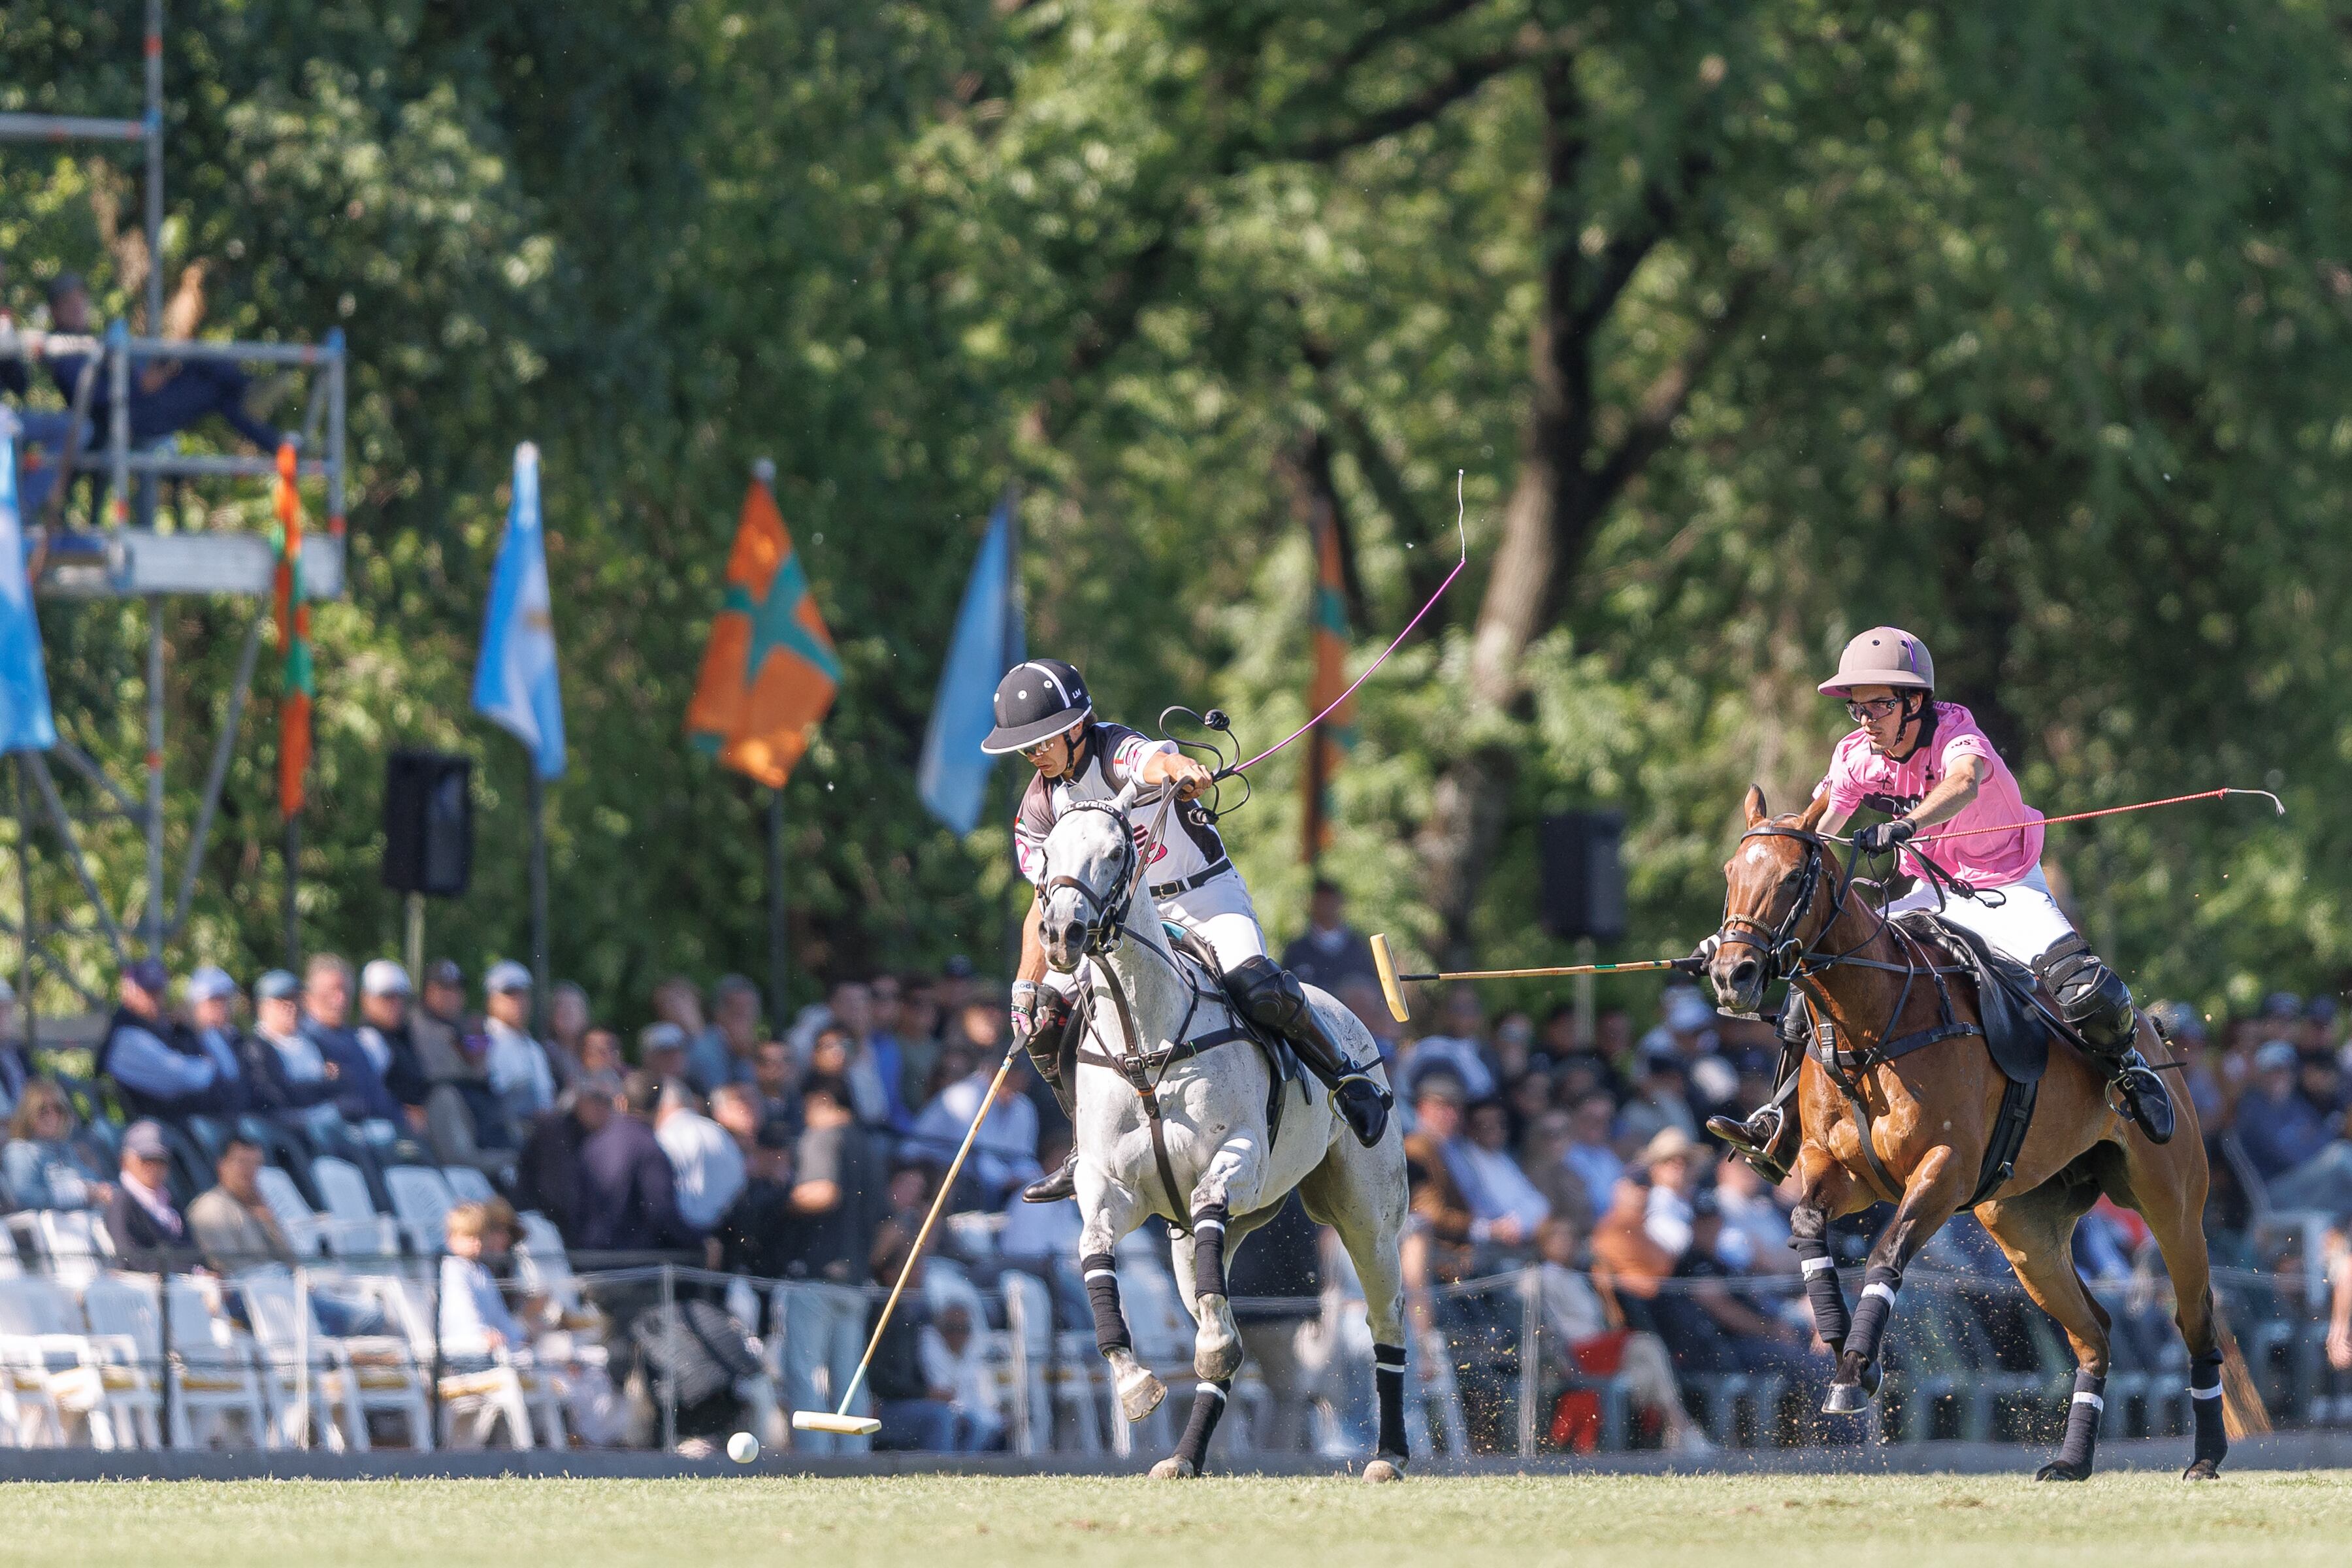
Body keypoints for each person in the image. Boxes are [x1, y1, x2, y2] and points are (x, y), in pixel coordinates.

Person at [1707, 627, 2172, 1176]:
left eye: (1879, 705)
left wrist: (1905, 824)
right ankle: (1780, 1120)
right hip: (1931, 894)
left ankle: (2131, 1069)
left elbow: (1965, 783)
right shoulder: (1855, 756)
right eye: (1857, 709)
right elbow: (1814, 838)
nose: (1866, 720)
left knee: (2085, 986)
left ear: (1914, 701)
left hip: (2005, 884)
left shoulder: (1955, 731)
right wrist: (1747, 923)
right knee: (1826, 974)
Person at [985, 657, 1391, 1203]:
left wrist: (1181, 772)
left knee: (1255, 984)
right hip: (1122, 920)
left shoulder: (1111, 750)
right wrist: (1025, 988)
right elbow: (1045, 907)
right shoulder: (1038, 809)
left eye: (1042, 742)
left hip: (1201, 896)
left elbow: (1154, 760)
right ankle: (1087, 1145)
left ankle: (1344, 1078)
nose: (1034, 756)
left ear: (1077, 726)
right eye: (1025, 749)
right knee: (1046, 1023)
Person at [42, 272, 284, 453]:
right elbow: (94, 397)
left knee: (197, 361)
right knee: (213, 391)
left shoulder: (90, 339)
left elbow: (129, 372)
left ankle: (261, 414)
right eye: (68, 303)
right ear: (55, 311)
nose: (77, 307)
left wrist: (150, 372)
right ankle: (253, 400)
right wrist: (140, 383)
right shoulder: (61, 348)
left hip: (140, 404)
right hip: (127, 418)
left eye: (80, 300)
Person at [777, 1073, 887, 1454]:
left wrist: (782, 1201)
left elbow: (822, 1192)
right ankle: (855, 1460)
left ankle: (815, 1459)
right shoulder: (870, 1147)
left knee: (806, 1375)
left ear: (821, 1100)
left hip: (818, 1277)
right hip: (855, 1280)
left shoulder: (823, 1137)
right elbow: (889, 1226)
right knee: (850, 1380)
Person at [97, 958, 238, 1122]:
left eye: (158, 991)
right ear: (129, 991)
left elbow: (229, 1074)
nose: (155, 999)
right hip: (147, 1128)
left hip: (175, 1122)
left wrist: (195, 1032)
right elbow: (182, 1078)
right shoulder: (125, 1036)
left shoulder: (162, 1028)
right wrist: (211, 1066)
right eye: (147, 992)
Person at [576, 1070, 703, 1254]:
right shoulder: (650, 1150)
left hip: (591, 1262)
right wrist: (699, 1244)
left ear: (621, 1102)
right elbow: (662, 1213)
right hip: (635, 1267)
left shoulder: (592, 1145)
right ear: (658, 1106)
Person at [904, 1053, 1041, 1209]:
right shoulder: (966, 1095)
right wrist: (1008, 1179)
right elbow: (977, 1154)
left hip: (981, 1174)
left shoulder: (1024, 1107)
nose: (1016, 1081)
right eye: (1012, 1075)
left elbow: (1023, 1157)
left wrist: (1032, 1180)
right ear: (994, 1071)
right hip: (926, 1165)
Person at [299, 955, 402, 1126]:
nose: (340, 999)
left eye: (345, 991)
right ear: (309, 996)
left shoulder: (359, 1040)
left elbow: (378, 1096)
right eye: (332, 991)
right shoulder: (301, 1044)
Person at [513, 1085, 613, 1243]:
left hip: (569, 1231)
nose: (602, 1109)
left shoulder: (599, 1137)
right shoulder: (554, 1132)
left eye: (608, 1103)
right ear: (581, 1100)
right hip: (543, 1230)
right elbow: (558, 1194)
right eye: (596, 1100)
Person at [1, 1079, 113, 1210]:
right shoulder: (19, 1151)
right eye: (43, 1110)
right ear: (28, 1114)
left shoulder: (64, 1148)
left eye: (58, 1109)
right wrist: (81, 1193)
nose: (52, 1116)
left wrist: (104, 1190)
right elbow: (26, 1197)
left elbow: (93, 1182)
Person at [656, 1077, 746, 1233]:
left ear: (661, 1106)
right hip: (722, 1232)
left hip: (678, 1237)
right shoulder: (718, 1132)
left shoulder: (665, 1135)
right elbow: (739, 1179)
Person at [2236, 1039, 2330, 1182]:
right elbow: (2285, 1157)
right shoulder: (2253, 1109)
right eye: (2274, 1070)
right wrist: (2308, 1143)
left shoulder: (2296, 1104)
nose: (2281, 1076)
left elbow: (2325, 1139)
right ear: (2261, 1074)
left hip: (2307, 1180)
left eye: (2286, 1070)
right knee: (2341, 1160)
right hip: (2275, 1188)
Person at [103, 1120, 191, 1271]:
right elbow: (130, 1256)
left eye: (160, 1161)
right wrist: (189, 1272)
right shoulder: (122, 1202)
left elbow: (192, 1250)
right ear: (125, 1161)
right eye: (146, 1160)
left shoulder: (171, 1203)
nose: (154, 1167)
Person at [354, 960, 432, 1119]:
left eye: (400, 997)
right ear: (366, 998)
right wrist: (400, 1113)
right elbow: (367, 1093)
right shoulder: (368, 1040)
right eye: (387, 997)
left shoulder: (406, 1035)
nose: (396, 1004)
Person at [482, 961, 558, 1123]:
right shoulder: (483, 1038)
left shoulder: (534, 1048)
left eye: (523, 994)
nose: (519, 1001)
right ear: (491, 999)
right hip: (504, 1128)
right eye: (510, 994)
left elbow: (547, 1101)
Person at [1282, 879, 1380, 996]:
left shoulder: (1359, 947)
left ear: (1340, 903)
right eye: (1321, 901)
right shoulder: (1296, 951)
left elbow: (1374, 991)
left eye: (1330, 900)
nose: (1326, 906)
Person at [685, 974, 761, 1096]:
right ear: (719, 1013)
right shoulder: (705, 1049)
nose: (747, 1019)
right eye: (738, 1013)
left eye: (750, 1012)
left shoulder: (745, 1049)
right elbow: (721, 1096)